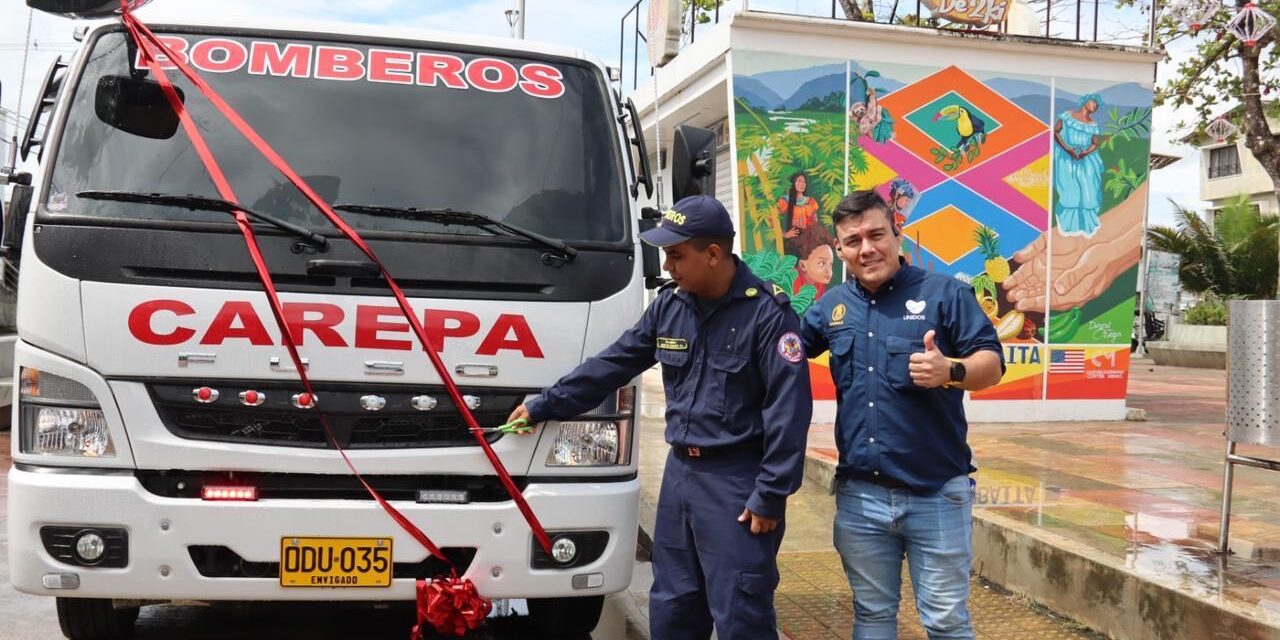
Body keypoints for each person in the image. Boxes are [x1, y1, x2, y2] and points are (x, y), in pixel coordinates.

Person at [507, 195, 813, 640]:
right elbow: (614, 363)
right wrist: (544, 404)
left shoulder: (767, 314)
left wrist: (770, 494)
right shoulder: (671, 306)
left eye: (675, 255)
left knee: (740, 612)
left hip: (737, 484)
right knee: (673, 604)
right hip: (680, 477)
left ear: (713, 254)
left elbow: (789, 410)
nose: (667, 267)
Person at [798, 190, 1005, 640]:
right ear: (840, 250)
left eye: (876, 235)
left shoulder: (946, 294)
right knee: (871, 616)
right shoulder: (832, 307)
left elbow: (991, 363)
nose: (866, 248)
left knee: (947, 622)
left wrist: (950, 369)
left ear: (898, 234)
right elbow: (785, 351)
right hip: (861, 499)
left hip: (936, 495)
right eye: (852, 241)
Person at [1053, 93, 1107, 238]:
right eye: (1094, 102)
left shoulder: (1093, 125)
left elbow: (1095, 143)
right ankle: (1068, 227)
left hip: (1085, 161)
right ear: (1086, 101)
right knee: (1070, 192)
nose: (1095, 106)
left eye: (1097, 105)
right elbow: (1056, 132)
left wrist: (1085, 152)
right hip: (1067, 159)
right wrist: (1068, 149)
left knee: (1088, 192)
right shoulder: (1068, 116)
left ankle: (1085, 226)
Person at [786, 223, 836, 298]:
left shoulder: (819, 283)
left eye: (830, 264)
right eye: (822, 263)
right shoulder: (791, 280)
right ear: (803, 265)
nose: (829, 271)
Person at [777, 171, 819, 241]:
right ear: (793, 183)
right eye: (799, 181)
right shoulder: (785, 200)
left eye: (804, 182)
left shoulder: (811, 201)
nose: (802, 184)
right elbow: (772, 219)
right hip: (794, 240)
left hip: (809, 238)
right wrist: (784, 234)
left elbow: (815, 221)